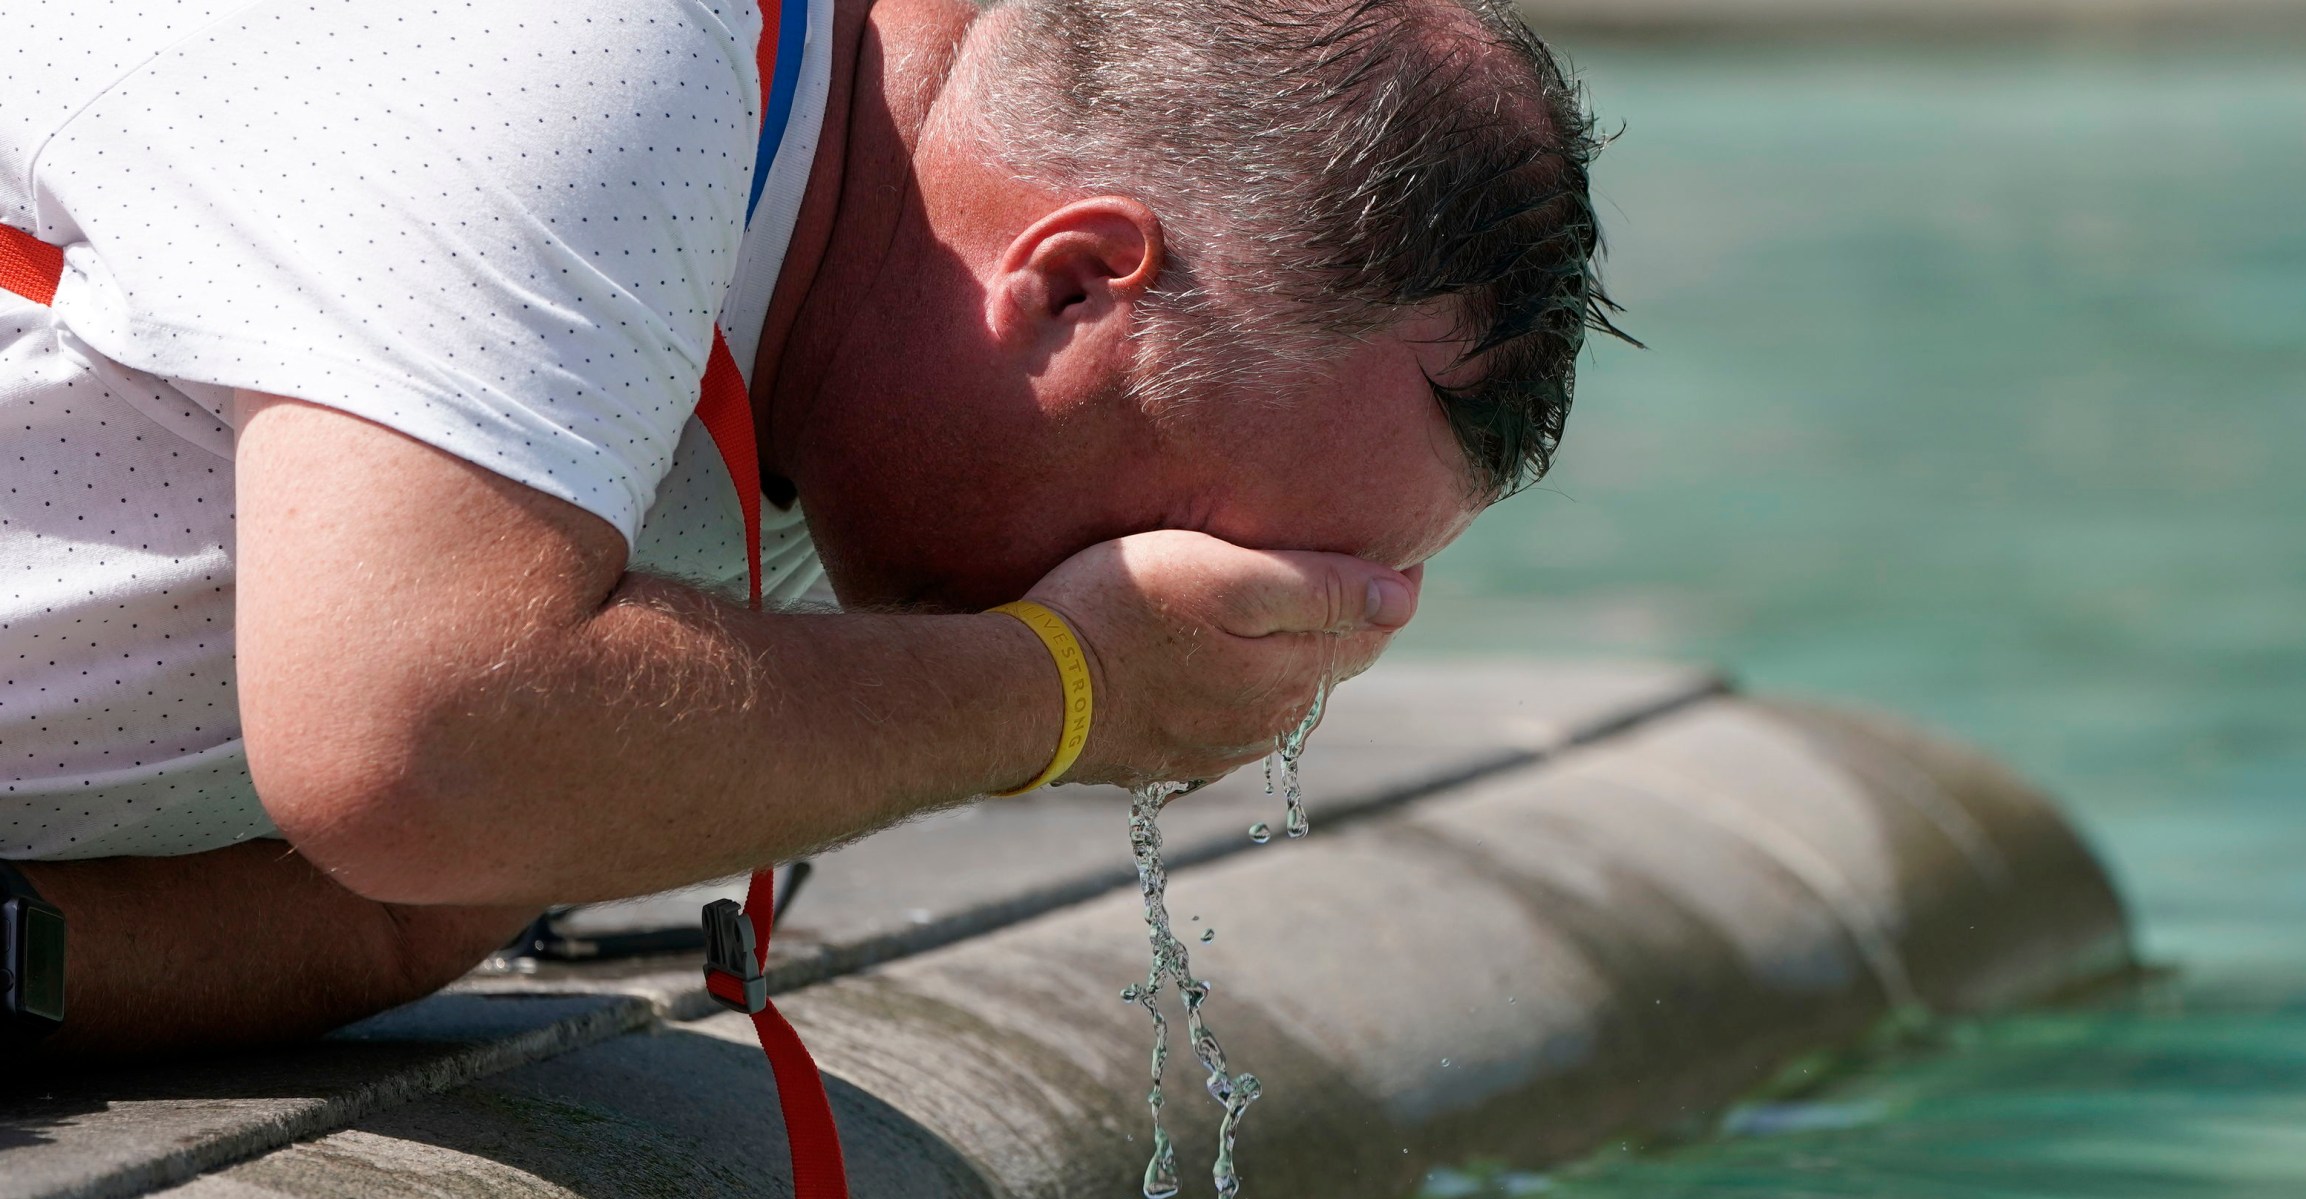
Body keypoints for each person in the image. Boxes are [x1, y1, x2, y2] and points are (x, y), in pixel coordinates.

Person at [0, 0, 1617, 1056]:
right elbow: (421, 744)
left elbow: (405, 901)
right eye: (1204, 539)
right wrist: (1063, 687)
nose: (1208, 615)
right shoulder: (587, 57)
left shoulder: (825, 380)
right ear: (1068, 283)